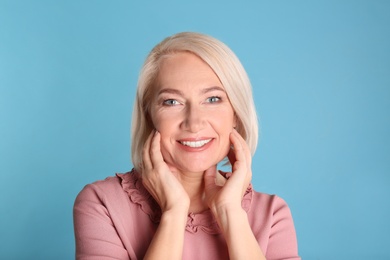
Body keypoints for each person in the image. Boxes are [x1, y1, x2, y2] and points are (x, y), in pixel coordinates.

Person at [73, 32, 300, 260]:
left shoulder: (273, 215)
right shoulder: (102, 204)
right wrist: (173, 213)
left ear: (236, 114)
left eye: (212, 99)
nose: (193, 123)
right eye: (172, 102)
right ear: (149, 114)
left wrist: (231, 213)